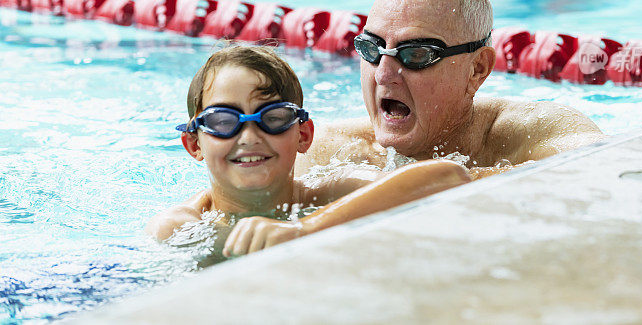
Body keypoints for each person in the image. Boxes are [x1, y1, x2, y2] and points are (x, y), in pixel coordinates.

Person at [146, 44, 469, 256]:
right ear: (193, 144)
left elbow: (449, 176)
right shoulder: (184, 226)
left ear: (303, 135)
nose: (249, 135)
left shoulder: (330, 193)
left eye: (273, 118)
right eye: (223, 120)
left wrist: (305, 229)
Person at [296, 0, 605, 178]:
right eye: (371, 50)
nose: (383, 74)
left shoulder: (538, 134)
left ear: (477, 70)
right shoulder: (329, 151)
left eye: (416, 54)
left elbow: (605, 172)